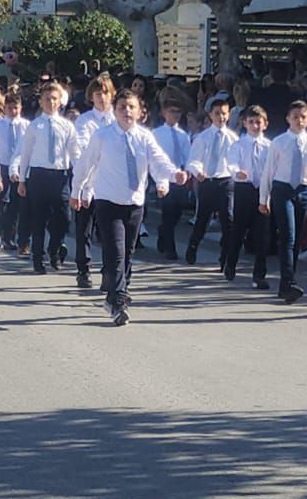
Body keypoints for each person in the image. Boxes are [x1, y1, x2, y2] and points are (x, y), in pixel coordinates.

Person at [71, 88, 185, 325]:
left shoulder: (145, 137)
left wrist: (175, 175)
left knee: (128, 253)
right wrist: (77, 191)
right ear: (115, 110)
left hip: (134, 203)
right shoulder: (103, 136)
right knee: (115, 251)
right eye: (122, 107)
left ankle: (117, 293)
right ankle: (118, 299)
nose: (126, 111)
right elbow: (86, 164)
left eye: (131, 107)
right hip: (108, 202)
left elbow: (159, 161)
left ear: (140, 111)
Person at [10, 80, 79, 274]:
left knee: (63, 218)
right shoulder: (34, 126)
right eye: (47, 99)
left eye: (54, 99)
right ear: (41, 101)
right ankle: (38, 258)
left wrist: (81, 178)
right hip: (38, 175)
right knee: (38, 219)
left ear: (60, 102)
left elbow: (75, 154)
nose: (51, 102)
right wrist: (22, 179)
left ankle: (55, 249)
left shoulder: (67, 126)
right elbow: (26, 153)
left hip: (60, 176)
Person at [259, 100, 307, 303]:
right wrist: (264, 198)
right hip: (282, 189)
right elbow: (269, 171)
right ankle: (288, 282)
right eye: (295, 117)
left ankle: (288, 281)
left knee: (295, 240)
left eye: (303, 117)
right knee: (287, 235)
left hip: (303, 190)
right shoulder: (279, 142)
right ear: (288, 119)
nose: (299, 121)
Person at [71, 74, 116, 285]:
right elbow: (82, 152)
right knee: (84, 229)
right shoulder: (85, 121)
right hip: (90, 180)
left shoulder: (117, 120)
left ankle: (109, 270)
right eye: (98, 94)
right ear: (92, 97)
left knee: (109, 231)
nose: (102, 98)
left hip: (111, 182)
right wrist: (84, 184)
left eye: (106, 94)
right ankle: (83, 268)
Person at [184, 94, 238, 266]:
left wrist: (237, 172)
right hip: (207, 181)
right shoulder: (203, 137)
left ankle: (226, 254)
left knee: (228, 219)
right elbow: (193, 159)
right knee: (203, 218)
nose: (221, 117)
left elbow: (235, 161)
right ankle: (193, 246)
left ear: (228, 115)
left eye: (224, 113)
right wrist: (198, 171)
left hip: (225, 181)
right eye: (217, 113)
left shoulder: (233, 139)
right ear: (210, 115)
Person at [223, 105, 272, 287]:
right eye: (251, 122)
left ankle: (259, 274)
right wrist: (237, 172)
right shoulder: (239, 144)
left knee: (262, 234)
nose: (255, 126)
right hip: (244, 189)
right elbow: (232, 163)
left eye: (258, 122)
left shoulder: (269, 146)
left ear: (265, 124)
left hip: (263, 190)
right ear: (244, 123)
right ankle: (230, 264)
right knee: (239, 229)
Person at [150, 86, 193, 262]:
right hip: (163, 177)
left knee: (177, 211)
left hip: (179, 177)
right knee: (168, 211)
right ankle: (170, 247)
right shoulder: (156, 134)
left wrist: (188, 172)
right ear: (163, 113)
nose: (174, 115)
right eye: (171, 112)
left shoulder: (183, 135)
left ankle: (163, 232)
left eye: (177, 112)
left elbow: (187, 155)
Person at [0, 91, 27, 254]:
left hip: (20, 168)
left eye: (15, 108)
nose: (13, 111)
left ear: (21, 108)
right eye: (9, 108)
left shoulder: (26, 126)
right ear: (4, 109)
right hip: (1, 166)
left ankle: (10, 237)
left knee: (16, 206)